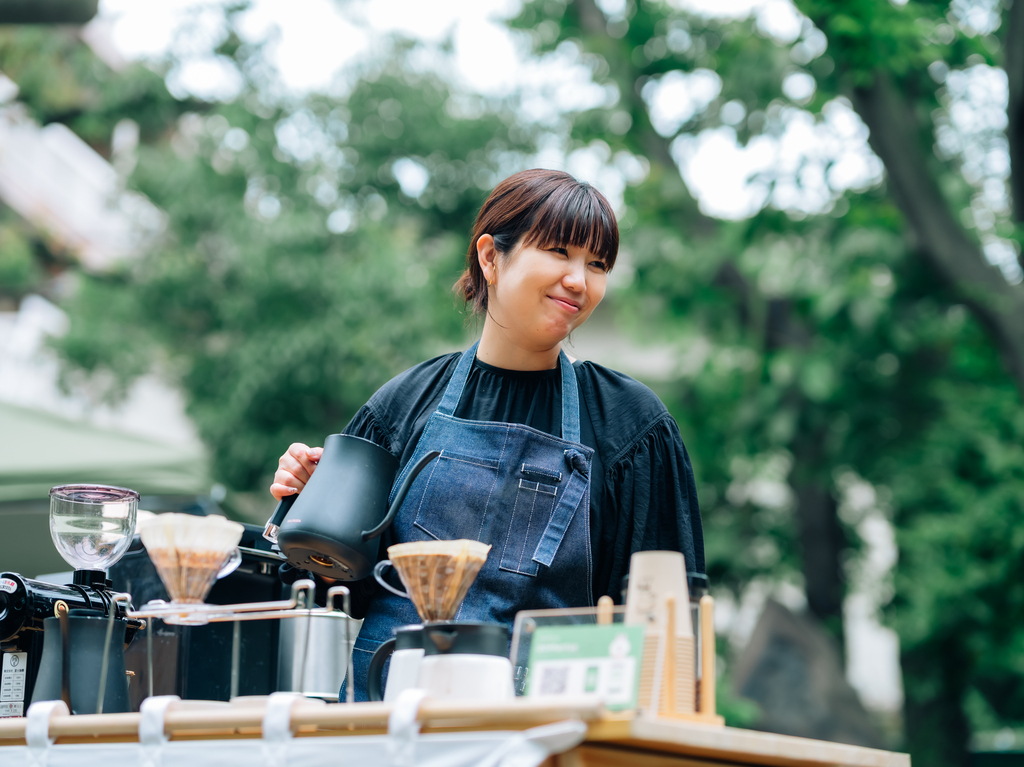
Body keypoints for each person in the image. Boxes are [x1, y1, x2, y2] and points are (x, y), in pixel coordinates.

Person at [270, 169, 703, 700]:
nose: (579, 280)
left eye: (597, 264)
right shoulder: (405, 404)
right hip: (386, 725)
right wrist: (306, 504)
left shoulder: (629, 425)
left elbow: (662, 621)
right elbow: (338, 588)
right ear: (490, 257)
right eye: (559, 251)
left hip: (541, 734)